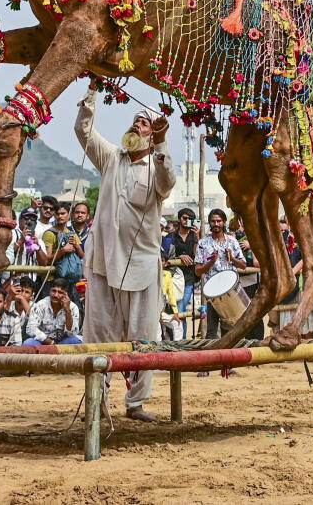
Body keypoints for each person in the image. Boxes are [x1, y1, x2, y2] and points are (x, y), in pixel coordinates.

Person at [75, 85, 175, 422]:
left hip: (142, 265)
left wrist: (161, 143)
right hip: (103, 261)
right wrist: (91, 92)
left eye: (145, 123)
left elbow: (168, 181)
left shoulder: (158, 166)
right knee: (98, 334)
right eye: (135, 120)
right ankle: (98, 400)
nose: (137, 125)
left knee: (142, 336)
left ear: (153, 135)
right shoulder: (111, 158)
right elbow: (83, 130)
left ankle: (136, 404)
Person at [194, 208, 248, 340]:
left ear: (224, 222)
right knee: (211, 332)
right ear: (209, 223)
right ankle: (213, 360)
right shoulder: (203, 243)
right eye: (213, 221)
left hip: (231, 291)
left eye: (219, 221)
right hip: (213, 293)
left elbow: (244, 265)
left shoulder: (232, 241)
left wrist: (232, 258)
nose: (216, 224)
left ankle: (231, 359)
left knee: (231, 330)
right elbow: (197, 270)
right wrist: (211, 262)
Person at [162, 208, 199, 335]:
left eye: (190, 219)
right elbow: (164, 257)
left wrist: (197, 239)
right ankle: (172, 341)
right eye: (184, 218)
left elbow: (197, 256)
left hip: (188, 279)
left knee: (180, 311)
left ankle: (181, 341)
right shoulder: (169, 237)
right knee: (169, 311)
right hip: (170, 279)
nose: (187, 221)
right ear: (179, 219)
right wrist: (178, 257)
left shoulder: (195, 236)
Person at [24, 278, 82, 345]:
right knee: (28, 343)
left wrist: (67, 311)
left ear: (66, 294)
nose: (55, 295)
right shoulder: (41, 304)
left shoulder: (73, 307)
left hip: (62, 342)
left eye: (60, 292)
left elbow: (72, 333)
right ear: (49, 291)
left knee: (77, 342)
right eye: (54, 291)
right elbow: (30, 328)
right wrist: (50, 342)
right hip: (43, 341)